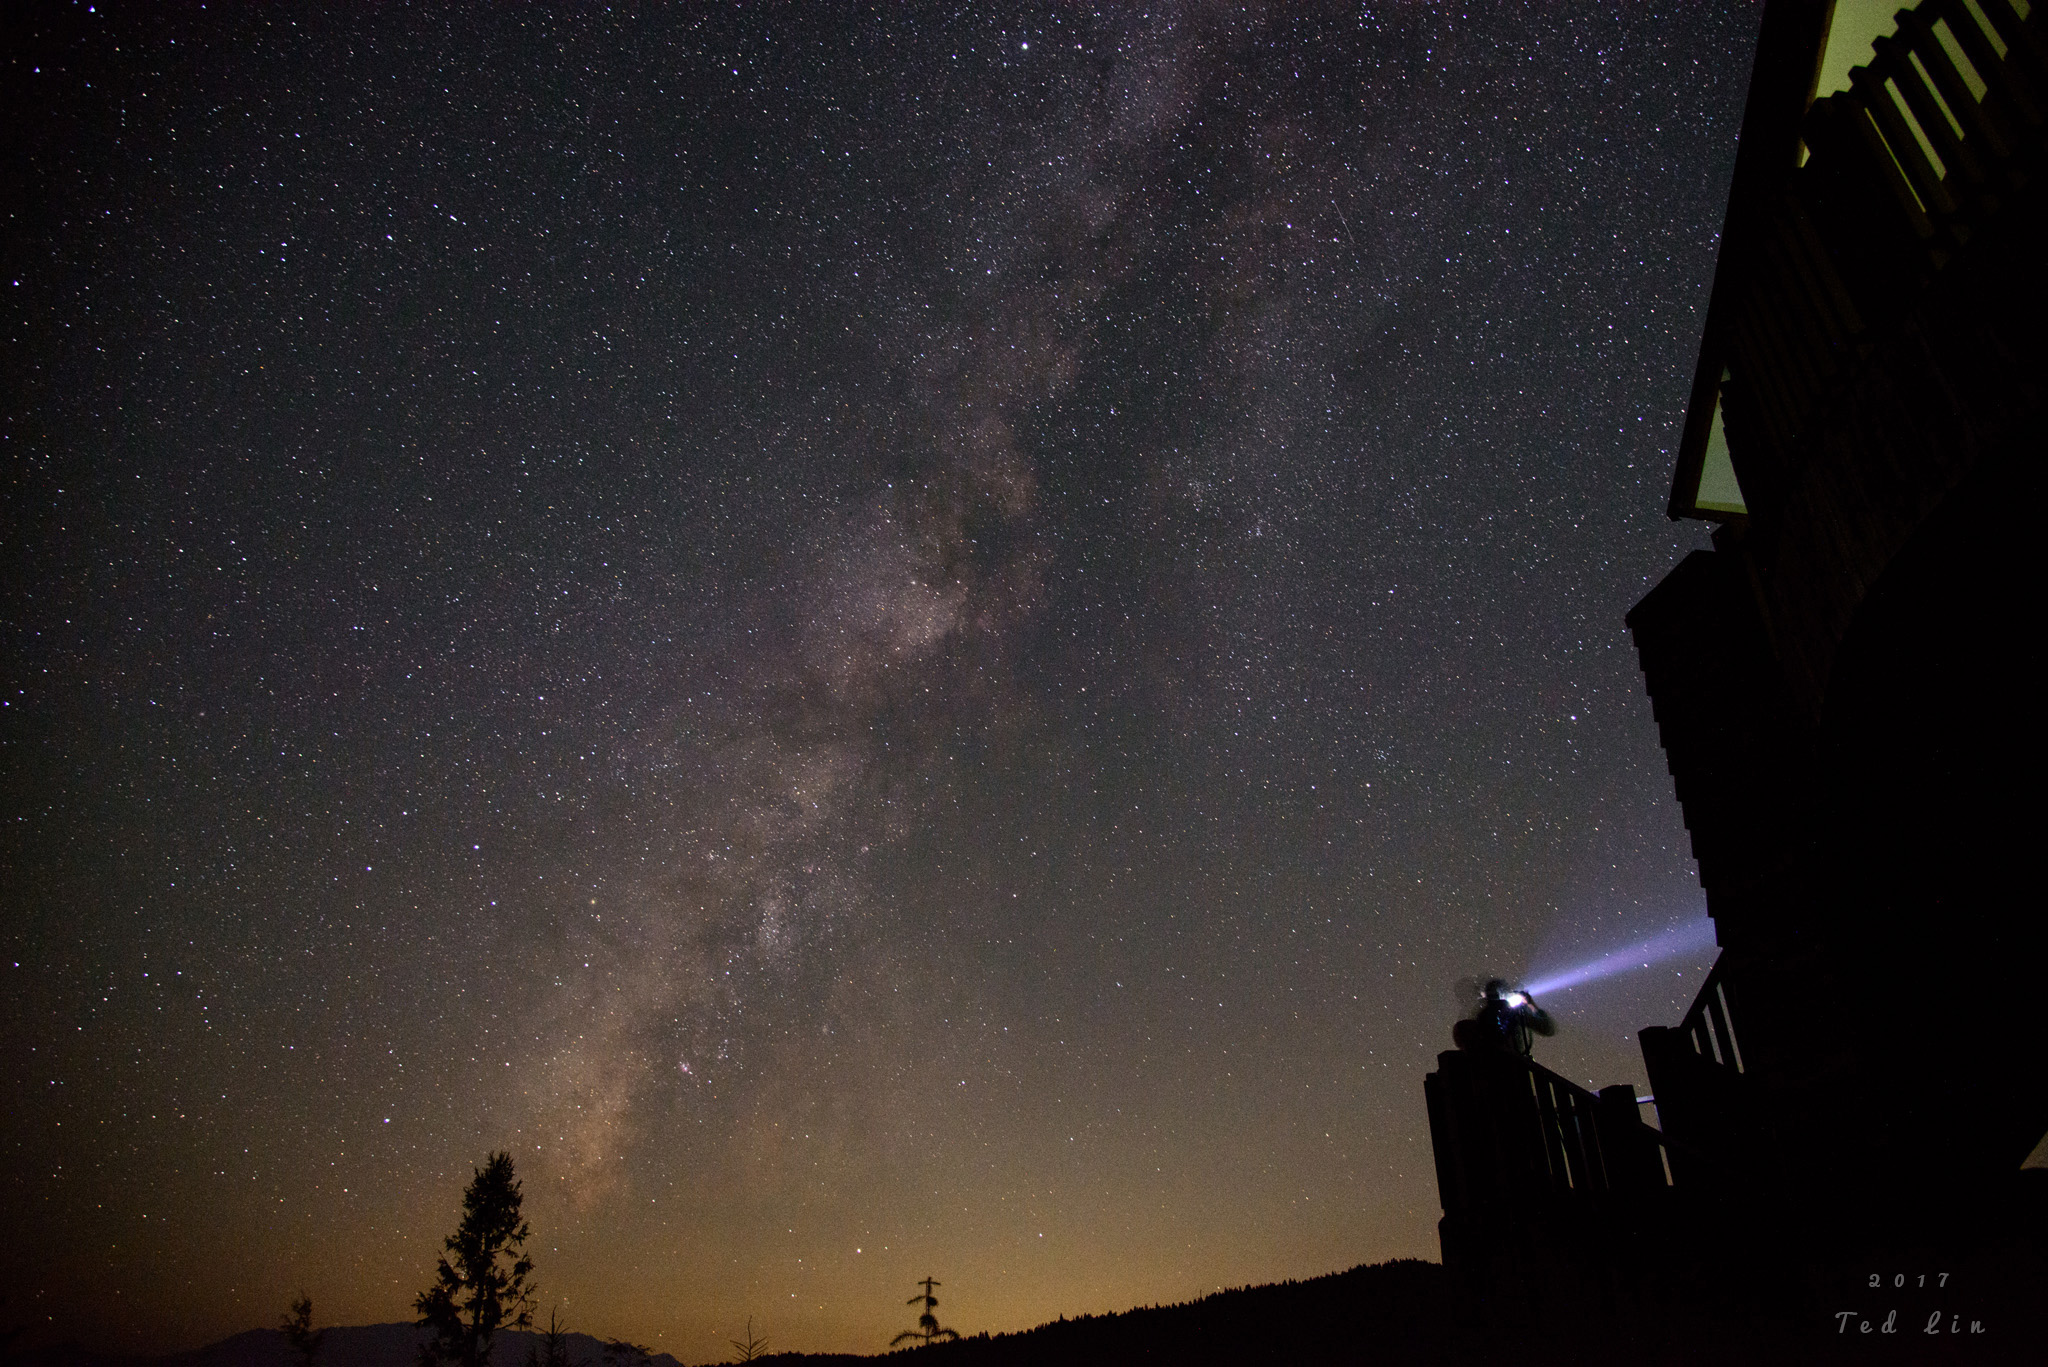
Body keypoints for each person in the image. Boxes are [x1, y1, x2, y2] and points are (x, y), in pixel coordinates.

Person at [1452, 978, 1555, 1056]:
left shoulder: (1481, 1016)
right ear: (1504, 993)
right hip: (1513, 1068)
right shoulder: (1513, 1013)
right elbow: (1546, 1028)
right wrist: (1530, 1004)